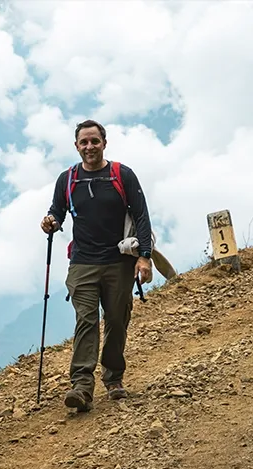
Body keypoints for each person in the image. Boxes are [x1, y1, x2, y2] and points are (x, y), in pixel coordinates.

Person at [40, 119, 153, 412]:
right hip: (82, 263)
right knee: (86, 321)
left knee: (117, 320)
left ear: (104, 143)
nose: (89, 147)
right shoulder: (67, 179)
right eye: (84, 142)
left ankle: (114, 378)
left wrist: (145, 256)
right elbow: (58, 211)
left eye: (94, 141)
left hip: (118, 263)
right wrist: (51, 222)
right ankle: (81, 387)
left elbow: (141, 216)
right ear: (76, 146)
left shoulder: (122, 175)